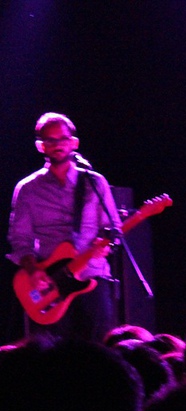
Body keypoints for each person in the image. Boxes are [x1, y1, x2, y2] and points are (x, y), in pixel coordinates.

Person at [8, 112, 123, 341]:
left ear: (74, 143)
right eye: (50, 140)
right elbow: (20, 239)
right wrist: (33, 271)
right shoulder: (28, 189)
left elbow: (112, 228)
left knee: (99, 346)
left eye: (62, 139)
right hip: (51, 283)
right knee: (52, 351)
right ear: (41, 146)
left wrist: (106, 246)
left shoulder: (95, 182)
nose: (57, 145)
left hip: (92, 275)